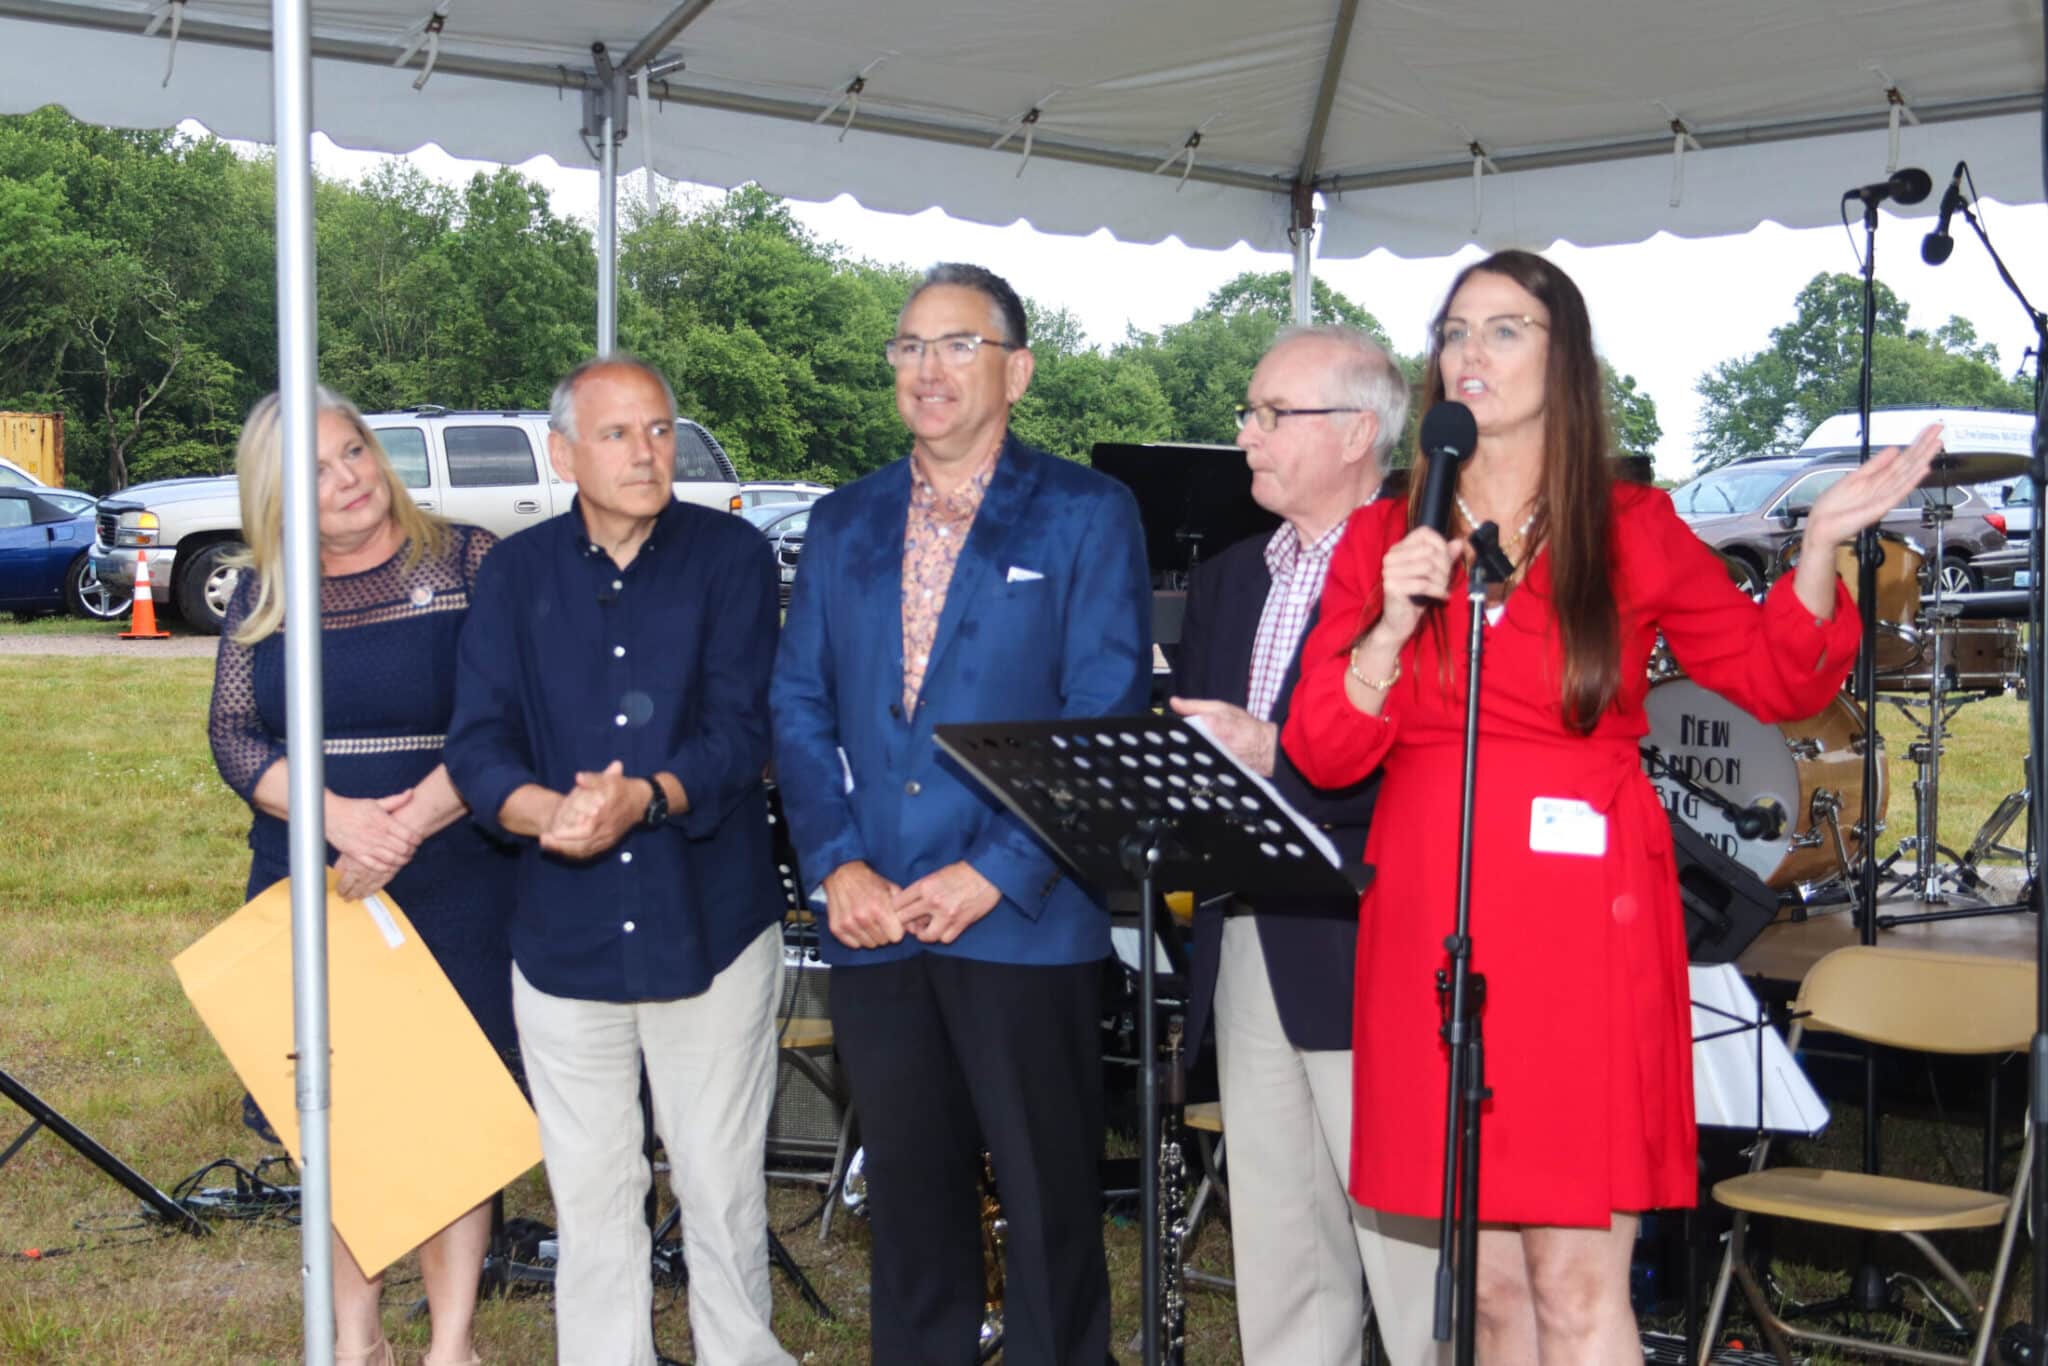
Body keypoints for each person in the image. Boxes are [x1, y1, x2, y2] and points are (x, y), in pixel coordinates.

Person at [1281, 249, 1941, 1363]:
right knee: (1490, 1294)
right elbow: (1322, 749)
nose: (1470, 353)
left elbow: (1774, 676)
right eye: (1454, 332)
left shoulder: (1630, 526)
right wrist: (1389, 626)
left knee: (1576, 1281)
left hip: (1582, 922)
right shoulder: (1381, 539)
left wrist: (1821, 542)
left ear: (1565, 360)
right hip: (1434, 917)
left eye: (1504, 330)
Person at [769, 263, 1151, 1366]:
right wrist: (836, 863)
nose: (927, 370)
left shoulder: (1086, 513)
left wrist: (996, 869)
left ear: (1015, 372)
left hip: (1022, 918)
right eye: (909, 347)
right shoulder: (842, 520)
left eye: (956, 346)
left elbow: (1102, 710)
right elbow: (797, 704)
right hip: (876, 917)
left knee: (1046, 1207)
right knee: (910, 1201)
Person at [443, 357, 792, 1366]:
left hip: (708, 923)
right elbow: (477, 744)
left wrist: (643, 797)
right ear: (562, 455)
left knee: (719, 1184)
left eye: (660, 429)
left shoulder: (731, 557)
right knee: (591, 1195)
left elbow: (743, 733)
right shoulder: (514, 574)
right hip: (565, 933)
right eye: (617, 434)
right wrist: (544, 812)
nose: (647, 453)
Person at [208, 388, 515, 1366]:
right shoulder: (264, 592)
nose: (349, 478)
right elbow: (233, 735)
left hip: (457, 867)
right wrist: (335, 819)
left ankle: (452, 1341)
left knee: (451, 1108)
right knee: (338, 1110)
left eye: (354, 452)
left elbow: (507, 715)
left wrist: (405, 825)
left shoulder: (468, 562)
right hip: (314, 876)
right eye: (317, 469)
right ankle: (357, 1338)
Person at [1166, 324, 1446, 1366]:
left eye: (1272, 414)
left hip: (1375, 939)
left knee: (1407, 1250)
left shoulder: (1422, 572)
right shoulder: (1229, 577)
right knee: (1282, 1242)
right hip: (1247, 934)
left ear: (1356, 433)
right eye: (1250, 413)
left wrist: (1273, 747)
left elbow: (1432, 765)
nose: (1246, 435)